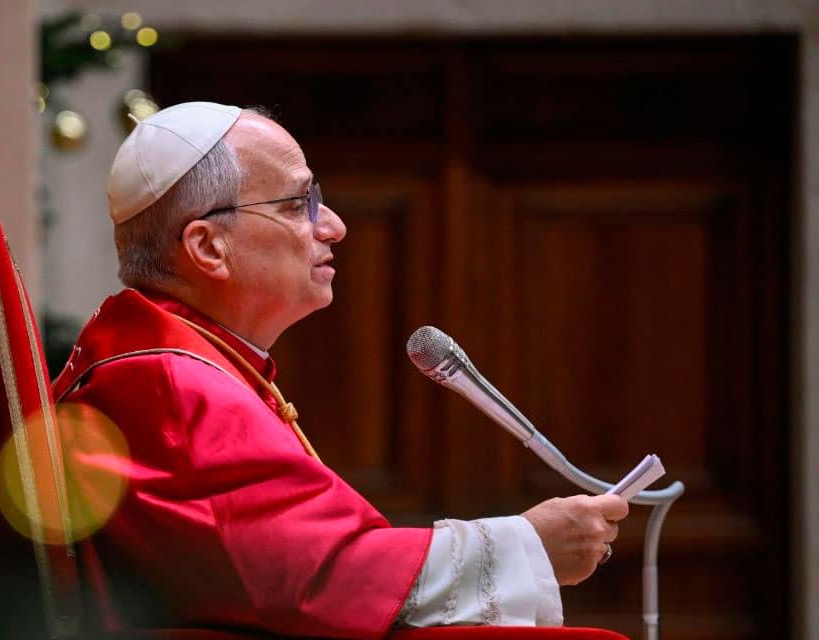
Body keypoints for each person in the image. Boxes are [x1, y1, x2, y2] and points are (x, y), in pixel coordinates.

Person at [51, 102, 628, 638]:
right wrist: (525, 547)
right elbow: (311, 580)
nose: (333, 225)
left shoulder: (189, 362)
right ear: (208, 247)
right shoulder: (168, 384)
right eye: (297, 204)